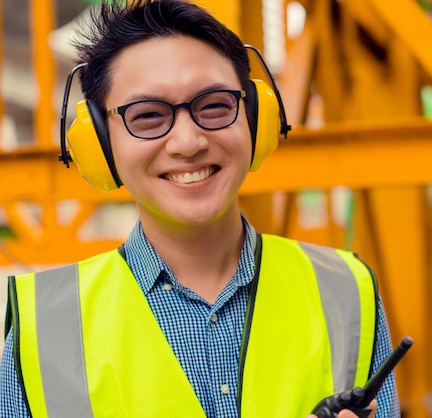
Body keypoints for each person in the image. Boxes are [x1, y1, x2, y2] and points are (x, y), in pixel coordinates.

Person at [0, 0, 401, 417]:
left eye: (213, 106)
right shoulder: (44, 325)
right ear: (100, 144)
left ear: (254, 116)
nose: (188, 142)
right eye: (148, 116)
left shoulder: (345, 291)